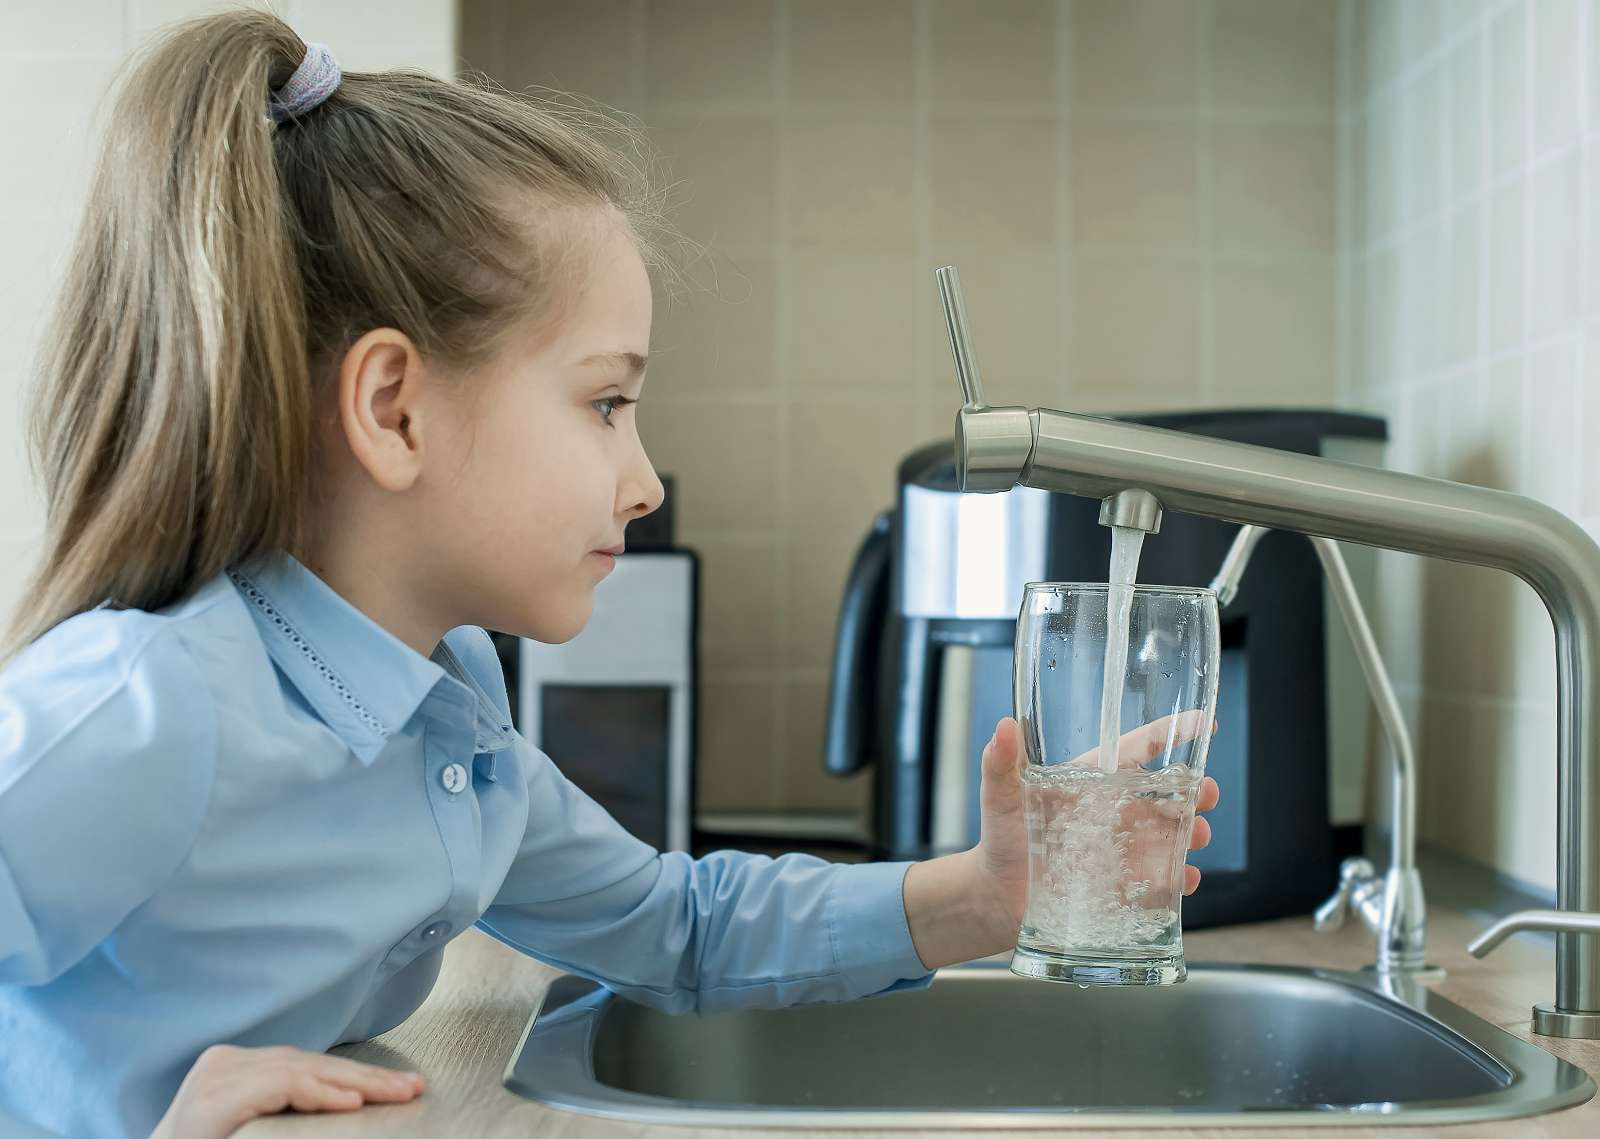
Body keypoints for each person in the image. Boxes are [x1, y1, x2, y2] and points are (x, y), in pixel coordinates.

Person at [0, 12, 1220, 1139]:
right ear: (394, 410)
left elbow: (671, 924)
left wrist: (984, 895)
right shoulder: (147, 705)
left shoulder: (443, 714)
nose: (643, 480)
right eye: (606, 402)